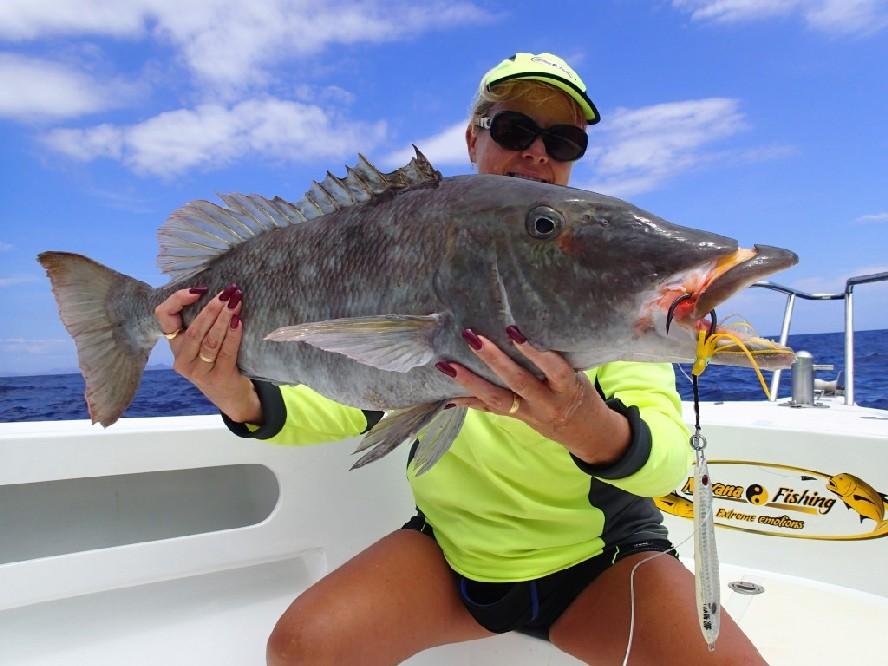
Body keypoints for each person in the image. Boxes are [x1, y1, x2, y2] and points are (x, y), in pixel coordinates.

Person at [155, 52, 766, 664]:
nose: (537, 153)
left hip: (599, 564)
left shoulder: (603, 319)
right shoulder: (414, 254)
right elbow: (349, 405)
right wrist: (236, 395)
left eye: (563, 140)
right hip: (450, 557)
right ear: (474, 138)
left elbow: (665, 467)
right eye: (515, 130)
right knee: (301, 650)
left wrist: (582, 421)